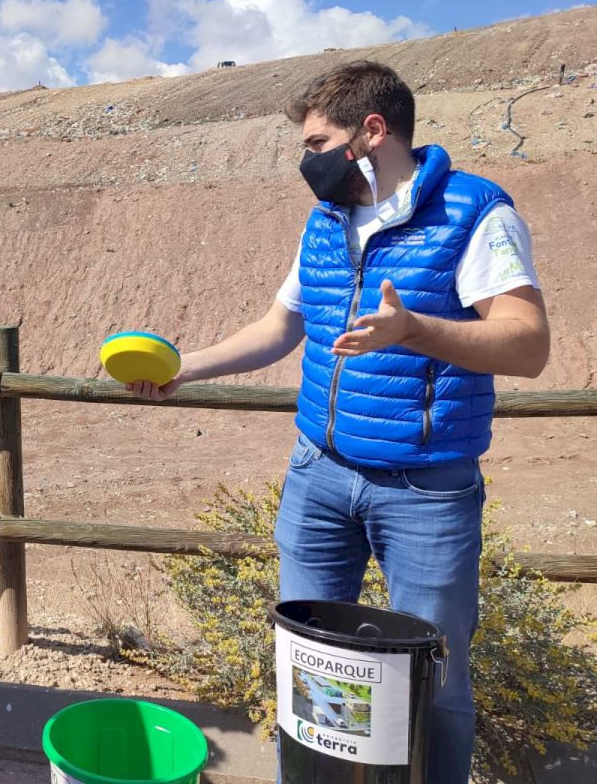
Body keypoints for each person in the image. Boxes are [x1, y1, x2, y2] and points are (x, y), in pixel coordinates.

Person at [129, 61, 549, 784]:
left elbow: (528, 344)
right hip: (317, 478)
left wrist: (414, 329)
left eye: (318, 143)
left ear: (372, 131)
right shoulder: (324, 223)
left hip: (425, 493)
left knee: (434, 677)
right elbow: (279, 327)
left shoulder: (475, 212)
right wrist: (182, 368)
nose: (308, 161)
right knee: (310, 664)